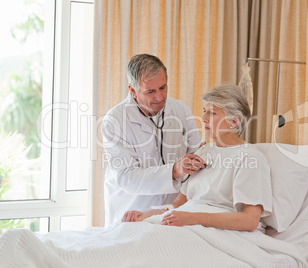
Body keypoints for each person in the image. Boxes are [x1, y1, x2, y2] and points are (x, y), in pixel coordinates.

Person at [122, 84, 272, 231]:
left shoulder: (250, 158)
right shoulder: (202, 152)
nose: (203, 118)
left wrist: (192, 218)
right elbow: (178, 204)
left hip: (219, 231)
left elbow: (249, 220)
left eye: (212, 113)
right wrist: (147, 215)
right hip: (189, 225)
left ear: (234, 121)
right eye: (204, 111)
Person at [102, 54, 203, 226]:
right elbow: (126, 177)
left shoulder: (180, 110)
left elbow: (196, 153)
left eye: (163, 88)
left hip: (172, 213)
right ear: (132, 91)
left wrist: (205, 155)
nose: (159, 97)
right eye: (150, 91)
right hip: (132, 210)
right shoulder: (115, 120)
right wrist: (173, 170)